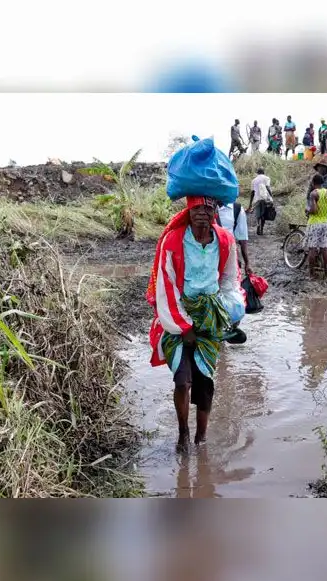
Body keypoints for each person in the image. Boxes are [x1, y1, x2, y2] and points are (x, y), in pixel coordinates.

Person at [146, 138, 246, 450]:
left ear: (216, 210)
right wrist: (182, 327)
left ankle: (202, 438)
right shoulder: (173, 241)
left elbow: (231, 280)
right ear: (188, 210)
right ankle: (183, 434)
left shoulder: (225, 241)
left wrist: (231, 309)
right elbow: (166, 286)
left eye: (208, 208)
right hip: (177, 315)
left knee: (204, 383)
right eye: (196, 208)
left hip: (210, 315)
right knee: (182, 379)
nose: (202, 214)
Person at [303, 174, 327, 278]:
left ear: (313, 183)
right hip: (325, 223)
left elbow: (313, 210)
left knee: (312, 249)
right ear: (322, 182)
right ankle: (326, 273)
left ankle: (312, 273)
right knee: (324, 249)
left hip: (314, 224)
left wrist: (307, 210)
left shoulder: (314, 193)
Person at [217, 200, 252, 277]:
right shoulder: (206, 207)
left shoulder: (236, 208)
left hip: (230, 254)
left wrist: (247, 263)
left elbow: (242, 237)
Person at [247, 166, 274, 236]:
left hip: (257, 199)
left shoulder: (254, 180)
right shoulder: (267, 178)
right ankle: (261, 229)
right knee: (264, 214)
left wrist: (250, 204)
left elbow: (252, 192)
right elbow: (267, 187)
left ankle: (258, 225)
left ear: (257, 173)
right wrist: (271, 196)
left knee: (258, 214)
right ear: (263, 172)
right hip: (265, 199)